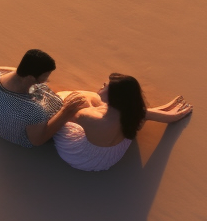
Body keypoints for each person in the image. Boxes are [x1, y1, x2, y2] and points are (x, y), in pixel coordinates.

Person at [53, 73, 192, 171]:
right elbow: (146, 113)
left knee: (82, 98)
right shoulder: (132, 113)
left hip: (83, 157)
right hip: (112, 155)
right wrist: (174, 115)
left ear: (115, 96)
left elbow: (66, 113)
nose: (104, 84)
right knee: (95, 99)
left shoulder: (89, 116)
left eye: (108, 85)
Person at [0, 49, 86, 148]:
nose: (47, 79)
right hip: (22, 137)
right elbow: (37, 141)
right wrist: (65, 111)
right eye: (45, 76)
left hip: (0, 125)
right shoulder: (33, 110)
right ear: (30, 77)